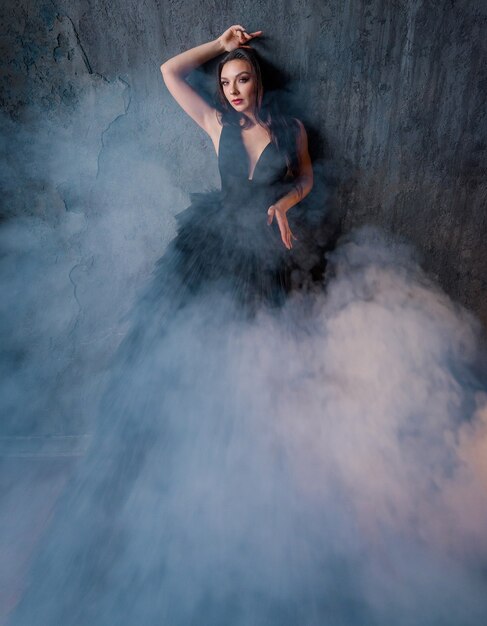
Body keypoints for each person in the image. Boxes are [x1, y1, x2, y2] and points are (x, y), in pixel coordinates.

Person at [10, 26, 322, 626]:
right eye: (227, 82)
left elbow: (304, 178)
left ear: (260, 80)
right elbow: (168, 72)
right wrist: (217, 42)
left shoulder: (291, 132)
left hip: (262, 261)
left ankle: (240, 502)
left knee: (254, 373)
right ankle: (169, 485)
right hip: (208, 252)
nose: (233, 89)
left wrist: (283, 207)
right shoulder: (216, 126)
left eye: (243, 78)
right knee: (188, 364)